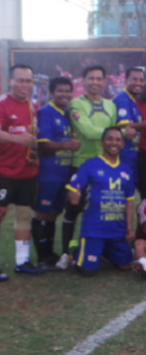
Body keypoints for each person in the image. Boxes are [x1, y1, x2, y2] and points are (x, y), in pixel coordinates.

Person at [62, 65, 118, 261]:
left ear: (104, 81)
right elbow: (86, 130)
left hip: (105, 166)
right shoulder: (76, 104)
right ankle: (65, 253)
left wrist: (114, 137)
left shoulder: (111, 105)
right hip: (81, 164)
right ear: (84, 81)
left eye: (99, 78)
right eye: (91, 78)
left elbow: (115, 133)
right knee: (73, 209)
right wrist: (113, 136)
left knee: (100, 209)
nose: (95, 82)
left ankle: (97, 250)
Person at [65, 127, 135, 277]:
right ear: (102, 142)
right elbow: (74, 186)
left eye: (118, 140)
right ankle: (77, 249)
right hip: (94, 229)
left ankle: (102, 250)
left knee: (125, 267)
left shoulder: (126, 169)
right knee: (88, 271)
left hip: (117, 230)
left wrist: (129, 227)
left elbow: (129, 202)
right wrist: (74, 193)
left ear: (122, 144)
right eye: (110, 139)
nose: (114, 143)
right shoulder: (90, 165)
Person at [32, 77, 81, 269]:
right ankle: (42, 257)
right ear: (51, 93)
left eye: (68, 91)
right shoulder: (46, 112)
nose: (65, 95)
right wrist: (66, 144)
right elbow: (42, 145)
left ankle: (49, 254)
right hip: (48, 174)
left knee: (54, 213)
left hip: (63, 174)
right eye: (60, 91)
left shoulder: (68, 113)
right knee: (42, 214)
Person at [0, 65, 43, 280]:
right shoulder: (2, 103)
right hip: (4, 171)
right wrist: (18, 138)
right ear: (10, 81)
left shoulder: (32, 105)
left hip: (27, 171)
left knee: (25, 215)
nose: (25, 85)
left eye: (28, 80)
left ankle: (22, 261)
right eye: (20, 80)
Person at [113, 68, 146, 188]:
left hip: (132, 153)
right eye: (134, 79)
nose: (138, 83)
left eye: (141, 80)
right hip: (122, 154)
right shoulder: (122, 98)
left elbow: (136, 127)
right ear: (126, 80)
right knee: (122, 191)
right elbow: (127, 127)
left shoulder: (132, 99)